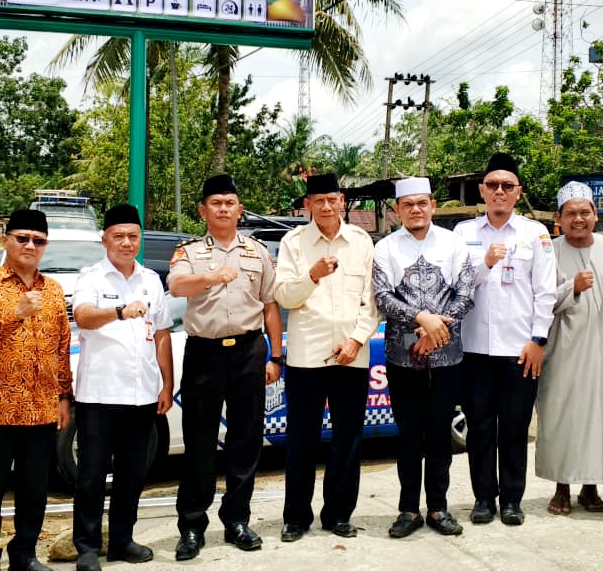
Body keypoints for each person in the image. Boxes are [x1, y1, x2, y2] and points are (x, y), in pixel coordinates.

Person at [168, 174, 283, 561]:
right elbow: (178, 287)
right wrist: (212, 277)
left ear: (239, 209)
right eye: (215, 203)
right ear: (203, 210)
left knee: (245, 441)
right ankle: (192, 526)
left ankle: (236, 520)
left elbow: (269, 304)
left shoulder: (256, 252)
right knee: (199, 443)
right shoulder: (188, 251)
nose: (222, 208)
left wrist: (275, 355)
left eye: (229, 202)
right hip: (204, 352)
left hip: (249, 350)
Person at [0, 209, 72, 571]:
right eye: (22, 238)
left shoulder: (53, 290)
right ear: (5, 240)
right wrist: (16, 312)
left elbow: (61, 349)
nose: (30, 245)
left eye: (37, 240)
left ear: (45, 246)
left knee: (33, 491)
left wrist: (63, 397)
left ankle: (24, 554)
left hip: (40, 409)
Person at [274, 173, 379, 542]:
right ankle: (296, 517)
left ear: (342, 200)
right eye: (319, 201)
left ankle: (339, 514)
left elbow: (372, 300)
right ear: (308, 205)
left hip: (352, 356)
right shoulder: (293, 243)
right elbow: (284, 296)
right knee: (302, 438)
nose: (327, 206)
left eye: (333, 199)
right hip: (307, 357)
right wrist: (313, 275)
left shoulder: (361, 241)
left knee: (348, 438)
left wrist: (356, 340)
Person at [453, 153, 556, 525]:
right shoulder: (464, 234)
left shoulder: (535, 233)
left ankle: (512, 500)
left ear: (517, 193)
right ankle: (483, 498)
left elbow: (545, 292)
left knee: (514, 427)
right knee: (480, 428)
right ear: (482, 190)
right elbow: (458, 287)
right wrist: (486, 264)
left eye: (507, 186)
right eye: (492, 185)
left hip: (520, 349)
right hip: (475, 349)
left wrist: (538, 340)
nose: (499, 191)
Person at [71, 204, 174, 569]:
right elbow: (82, 315)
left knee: (133, 475)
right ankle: (86, 547)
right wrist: (118, 312)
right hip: (99, 395)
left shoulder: (150, 280)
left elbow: (162, 332)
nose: (126, 243)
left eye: (133, 236)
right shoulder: (92, 277)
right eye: (119, 236)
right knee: (91, 476)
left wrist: (167, 383)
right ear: (105, 239)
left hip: (142, 395)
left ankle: (122, 541)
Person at [374, 176, 476, 538]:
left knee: (438, 436)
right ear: (397, 210)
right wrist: (422, 320)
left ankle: (438, 508)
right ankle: (407, 510)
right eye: (407, 205)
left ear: (433, 206)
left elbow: (465, 294)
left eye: (422, 203)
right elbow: (383, 297)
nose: (415, 210)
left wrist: (436, 332)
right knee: (408, 436)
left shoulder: (454, 243)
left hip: (446, 355)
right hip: (404, 355)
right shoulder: (385, 248)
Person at [535, 181, 603, 516]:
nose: (578, 219)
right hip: (561, 348)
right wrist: (573, 287)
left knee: (599, 416)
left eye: (585, 212)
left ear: (596, 215)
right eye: (571, 213)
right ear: (559, 218)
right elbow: (535, 300)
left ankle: (591, 487)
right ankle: (561, 487)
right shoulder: (548, 250)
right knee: (561, 415)